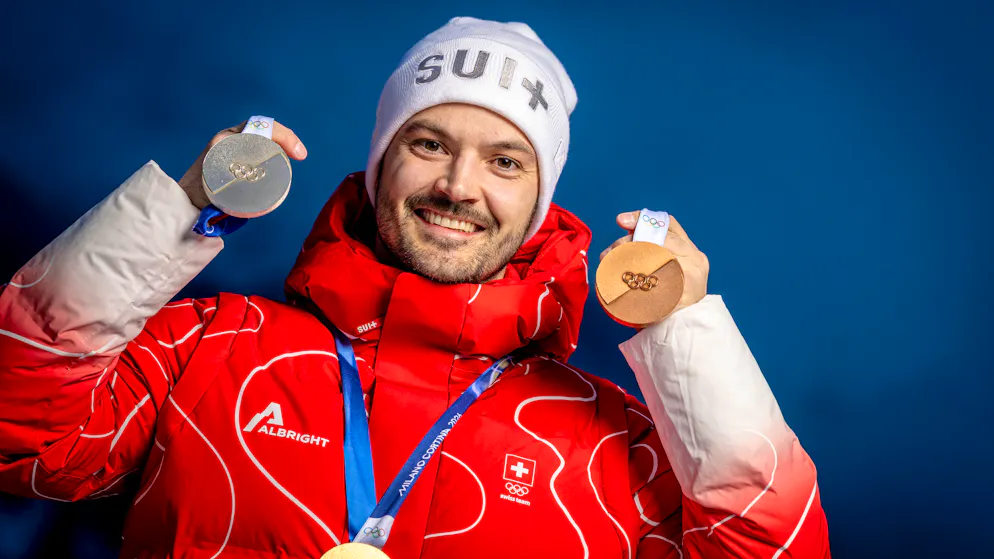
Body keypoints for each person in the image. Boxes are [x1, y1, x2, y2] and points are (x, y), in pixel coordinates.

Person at [0, 16, 830, 559]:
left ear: (541, 204)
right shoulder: (213, 346)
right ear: (381, 159)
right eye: (429, 143)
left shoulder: (609, 437)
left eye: (506, 161)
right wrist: (178, 208)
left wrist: (685, 330)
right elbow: (22, 432)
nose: (460, 186)